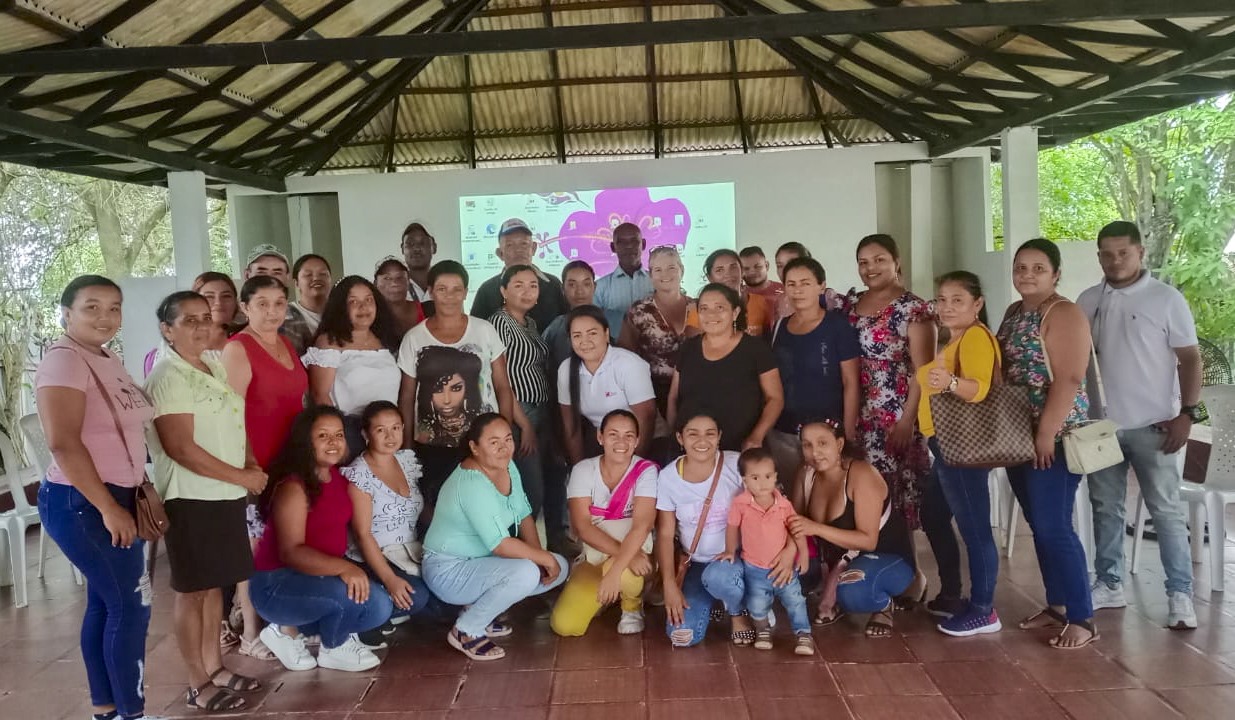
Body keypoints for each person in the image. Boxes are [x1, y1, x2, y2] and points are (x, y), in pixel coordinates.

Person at [35, 275, 157, 720]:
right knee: (132, 604)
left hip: (116, 495)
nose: (106, 317)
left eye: (114, 307)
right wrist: (108, 506)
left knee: (107, 603)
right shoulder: (64, 361)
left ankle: (108, 710)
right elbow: (64, 442)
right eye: (92, 307)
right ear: (66, 313)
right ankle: (132, 714)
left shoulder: (107, 357)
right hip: (84, 502)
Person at [145, 291, 268, 711]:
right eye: (188, 320)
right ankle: (198, 682)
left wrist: (249, 463)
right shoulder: (168, 376)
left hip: (224, 494)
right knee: (192, 591)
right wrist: (243, 475)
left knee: (215, 584)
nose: (201, 326)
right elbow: (181, 448)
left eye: (205, 318)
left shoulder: (213, 365)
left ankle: (216, 667)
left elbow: (236, 422)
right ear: (167, 329)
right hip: (190, 497)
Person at [1078, 221, 1201, 630]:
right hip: (1101, 428)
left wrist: (1188, 413)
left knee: (1166, 512)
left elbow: (1190, 359)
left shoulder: (1166, 299)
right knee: (1106, 509)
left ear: (1140, 252)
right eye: (1107, 254)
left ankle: (1180, 594)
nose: (1115, 261)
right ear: (1098, 256)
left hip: (1155, 426)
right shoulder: (1088, 300)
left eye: (1123, 253)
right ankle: (1109, 583)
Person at [998, 238, 1098, 649]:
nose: (1027, 274)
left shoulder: (1065, 313)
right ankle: (1056, 604)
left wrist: (1045, 434)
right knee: (1039, 522)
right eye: (1021, 267)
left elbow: (1070, 378)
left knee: (1054, 524)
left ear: (1056, 274)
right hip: (1019, 435)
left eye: (1038, 268)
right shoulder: (1014, 312)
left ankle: (1083, 617)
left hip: (1053, 437)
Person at [249, 406, 393, 672]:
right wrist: (346, 568)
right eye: (323, 436)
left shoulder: (338, 478)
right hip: (277, 586)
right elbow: (290, 552)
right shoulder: (294, 487)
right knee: (349, 593)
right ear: (306, 442)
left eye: (338, 435)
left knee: (380, 606)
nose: (333, 442)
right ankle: (333, 646)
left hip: (318, 578)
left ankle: (289, 632)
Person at [422, 414, 570, 660]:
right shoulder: (471, 483)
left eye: (508, 439)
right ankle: (466, 630)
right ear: (474, 447)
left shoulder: (507, 466)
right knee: (527, 572)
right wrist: (541, 559)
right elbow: (501, 545)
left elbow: (524, 514)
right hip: (448, 570)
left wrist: (542, 558)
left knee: (559, 567)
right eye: (494, 442)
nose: (504, 448)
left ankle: (478, 612)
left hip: (481, 563)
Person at [220, 274, 308, 661]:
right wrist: (248, 465)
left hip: (289, 461)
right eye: (262, 304)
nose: (272, 311)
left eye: (278, 303)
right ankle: (251, 633)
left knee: (283, 543)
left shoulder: (286, 342)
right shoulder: (238, 348)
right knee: (252, 550)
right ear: (244, 307)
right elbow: (230, 414)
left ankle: (285, 621)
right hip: (255, 463)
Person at [912, 272, 1002, 635]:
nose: (946, 307)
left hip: (963, 446)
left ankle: (984, 609)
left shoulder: (976, 338)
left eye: (957, 300)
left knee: (974, 527)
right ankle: (952, 594)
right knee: (932, 514)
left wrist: (949, 382)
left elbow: (979, 389)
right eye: (942, 300)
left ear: (977, 304)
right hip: (946, 446)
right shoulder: (956, 339)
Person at [788, 419, 924, 638]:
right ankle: (834, 588)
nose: (815, 452)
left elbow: (867, 541)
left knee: (854, 593)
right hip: (839, 563)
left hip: (886, 558)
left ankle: (884, 605)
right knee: (779, 569)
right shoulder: (806, 474)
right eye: (807, 445)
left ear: (839, 444)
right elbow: (794, 524)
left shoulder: (861, 475)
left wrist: (815, 528)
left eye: (823, 443)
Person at [398, 260, 517, 507]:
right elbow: (408, 396)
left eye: (457, 289)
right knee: (440, 505)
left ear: (465, 292)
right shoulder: (414, 338)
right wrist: (407, 447)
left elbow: (502, 386)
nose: (450, 296)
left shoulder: (484, 331)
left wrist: (504, 433)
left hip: (483, 441)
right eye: (442, 289)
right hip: (432, 445)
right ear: (431, 291)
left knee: (486, 505)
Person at [843, 235, 935, 531]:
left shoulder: (914, 309)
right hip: (859, 412)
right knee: (865, 493)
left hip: (897, 415)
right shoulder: (851, 305)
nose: (870, 268)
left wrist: (908, 420)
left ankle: (910, 572)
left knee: (897, 497)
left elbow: (924, 371)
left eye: (879, 260)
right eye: (863, 262)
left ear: (897, 262)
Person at [550, 410, 658, 637]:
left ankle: (632, 606)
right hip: (596, 558)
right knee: (566, 625)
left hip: (635, 560)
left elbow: (642, 525)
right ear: (600, 437)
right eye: (613, 434)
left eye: (629, 435)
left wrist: (615, 569)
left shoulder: (645, 471)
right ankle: (612, 593)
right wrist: (620, 558)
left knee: (627, 572)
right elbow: (583, 526)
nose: (621, 442)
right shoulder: (583, 470)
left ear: (637, 440)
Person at [655, 414, 755, 647]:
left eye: (710, 433)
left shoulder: (736, 464)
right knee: (682, 636)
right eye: (693, 433)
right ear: (680, 438)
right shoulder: (668, 477)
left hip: (734, 560)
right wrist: (669, 584)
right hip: (695, 564)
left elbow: (767, 502)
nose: (703, 440)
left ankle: (737, 612)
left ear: (719, 437)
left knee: (719, 577)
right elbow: (666, 535)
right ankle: (713, 600)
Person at [766, 257, 859, 484]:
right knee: (792, 496)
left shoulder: (837, 326)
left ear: (821, 285)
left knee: (826, 493)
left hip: (826, 431)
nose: (798, 290)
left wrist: (847, 433)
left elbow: (851, 382)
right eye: (791, 284)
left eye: (805, 283)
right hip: (784, 432)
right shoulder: (779, 326)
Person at [343, 401, 436, 626]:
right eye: (380, 430)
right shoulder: (359, 474)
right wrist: (390, 579)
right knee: (417, 597)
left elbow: (419, 510)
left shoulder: (405, 461)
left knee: (445, 595)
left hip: (410, 552)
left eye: (395, 427)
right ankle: (364, 618)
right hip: (378, 556)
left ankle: (386, 614)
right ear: (366, 434)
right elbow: (363, 535)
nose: (390, 436)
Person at [718, 447, 814, 655]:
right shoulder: (740, 503)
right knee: (756, 603)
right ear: (744, 480)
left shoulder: (784, 505)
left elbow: (796, 531)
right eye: (755, 477)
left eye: (768, 476)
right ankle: (763, 630)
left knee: (795, 601)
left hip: (784, 568)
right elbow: (732, 526)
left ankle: (803, 635)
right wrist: (729, 550)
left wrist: (803, 555)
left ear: (776, 477)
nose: (762, 483)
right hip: (755, 568)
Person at [670, 283, 783, 454]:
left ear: (735, 312)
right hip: (693, 453)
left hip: (741, 451)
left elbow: (775, 399)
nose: (711, 314)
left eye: (720, 307)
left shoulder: (755, 349)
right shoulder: (688, 348)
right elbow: (674, 397)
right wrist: (675, 437)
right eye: (704, 308)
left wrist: (756, 437)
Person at [304, 275, 403, 458]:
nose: (363, 307)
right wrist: (341, 439)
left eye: (368, 300)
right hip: (350, 430)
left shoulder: (385, 339)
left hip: (388, 432)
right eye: (353, 301)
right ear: (341, 307)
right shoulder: (329, 342)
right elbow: (320, 395)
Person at [487, 265, 554, 525]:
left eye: (533, 285)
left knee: (539, 484)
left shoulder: (530, 323)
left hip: (541, 410)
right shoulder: (499, 323)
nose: (527, 291)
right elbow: (500, 380)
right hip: (518, 413)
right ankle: (518, 551)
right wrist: (523, 424)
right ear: (504, 290)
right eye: (519, 285)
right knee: (528, 488)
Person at [558, 305, 657, 464]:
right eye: (577, 336)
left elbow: (646, 418)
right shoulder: (566, 369)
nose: (585, 341)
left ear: (606, 334)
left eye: (592, 333)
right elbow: (571, 428)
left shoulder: (627, 364)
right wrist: (579, 468)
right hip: (603, 438)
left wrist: (631, 468)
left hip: (643, 438)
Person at [618, 245, 691, 417]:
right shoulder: (638, 311)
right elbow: (625, 355)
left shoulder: (699, 307)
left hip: (694, 391)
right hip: (652, 395)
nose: (665, 274)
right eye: (658, 269)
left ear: (682, 270)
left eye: (671, 267)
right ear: (650, 275)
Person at [470, 218, 569, 330]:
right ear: (500, 253)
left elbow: (566, 328)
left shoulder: (553, 284)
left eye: (524, 244)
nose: (518, 250)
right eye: (510, 245)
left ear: (534, 248)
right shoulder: (487, 290)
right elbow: (476, 334)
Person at [143, 271, 240, 376]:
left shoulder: (244, 341)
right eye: (209, 297)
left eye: (226, 296)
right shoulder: (170, 350)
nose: (218, 302)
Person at [242, 244, 314, 355]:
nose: (269, 277)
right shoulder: (235, 319)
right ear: (247, 275)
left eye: (277, 272)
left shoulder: (295, 316)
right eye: (261, 272)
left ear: (287, 277)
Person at [685, 249, 773, 337]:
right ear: (709, 277)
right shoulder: (698, 311)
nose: (728, 274)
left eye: (733, 267)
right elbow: (695, 347)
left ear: (742, 271)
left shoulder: (760, 302)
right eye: (719, 270)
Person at [593, 222, 654, 335]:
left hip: (655, 350)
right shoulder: (599, 288)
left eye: (634, 241)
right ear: (613, 247)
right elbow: (594, 326)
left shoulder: (657, 282)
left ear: (644, 244)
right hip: (615, 350)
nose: (628, 246)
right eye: (621, 242)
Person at [543, 260, 596, 375]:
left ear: (594, 286)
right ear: (563, 289)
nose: (579, 291)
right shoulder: (556, 327)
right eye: (572, 285)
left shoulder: (615, 321)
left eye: (586, 284)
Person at [374, 256, 427, 336]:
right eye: (387, 278)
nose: (394, 283)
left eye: (400, 277)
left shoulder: (428, 310)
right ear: (375, 284)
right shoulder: (369, 316)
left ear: (408, 282)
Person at [289, 254, 333, 342]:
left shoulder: (343, 311)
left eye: (323, 274)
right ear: (296, 283)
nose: (316, 278)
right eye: (308, 275)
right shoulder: (287, 315)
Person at [402, 222, 436, 303]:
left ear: (434, 247)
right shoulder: (396, 287)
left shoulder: (445, 284)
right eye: (410, 244)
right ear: (402, 249)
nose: (416, 249)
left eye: (422, 243)